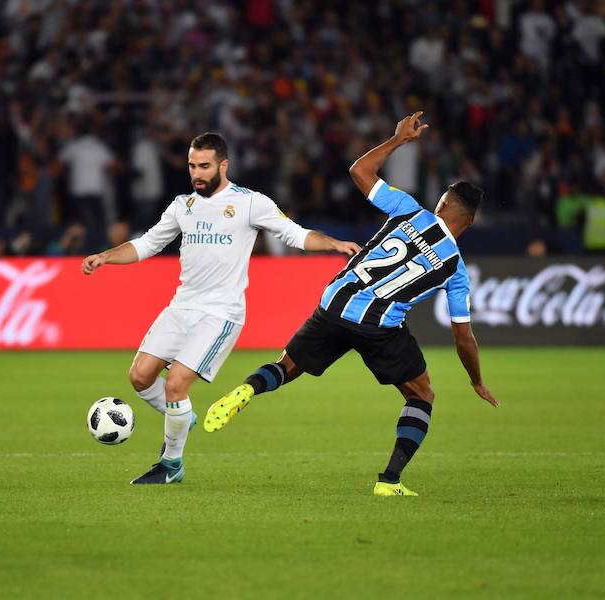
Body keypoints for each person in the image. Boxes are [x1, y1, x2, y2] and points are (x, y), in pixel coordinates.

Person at [204, 113, 498, 497]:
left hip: (335, 301)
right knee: (421, 394)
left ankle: (246, 390)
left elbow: (359, 170)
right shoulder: (455, 269)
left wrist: (397, 140)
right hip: (380, 325)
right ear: (469, 223)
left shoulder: (408, 209)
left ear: (441, 204)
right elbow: (463, 337)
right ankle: (389, 481)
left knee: (286, 367)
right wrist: (475, 379)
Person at [82, 132, 360, 485]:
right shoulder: (182, 205)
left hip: (221, 313)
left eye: (204, 166)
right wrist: (105, 256)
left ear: (223, 165)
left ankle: (171, 465)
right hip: (182, 306)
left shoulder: (249, 202)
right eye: (191, 166)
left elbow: (295, 233)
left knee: (177, 385)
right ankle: (181, 416)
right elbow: (148, 244)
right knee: (139, 377)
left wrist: (333, 243)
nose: (196, 173)